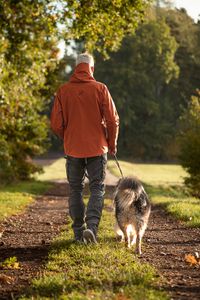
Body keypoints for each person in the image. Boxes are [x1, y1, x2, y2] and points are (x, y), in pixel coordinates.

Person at [51, 53, 119, 244]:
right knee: (97, 187)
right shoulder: (100, 89)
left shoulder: (63, 91)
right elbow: (113, 120)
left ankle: (78, 232)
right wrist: (112, 143)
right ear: (92, 69)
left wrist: (68, 137)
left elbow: (56, 124)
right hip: (97, 147)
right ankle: (92, 228)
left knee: (75, 189)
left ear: (76, 68)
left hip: (73, 148)